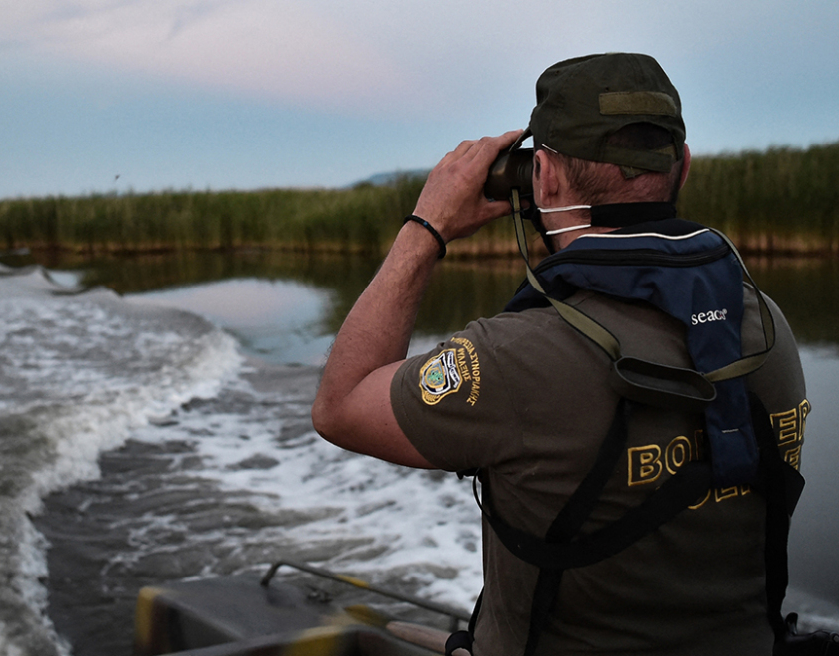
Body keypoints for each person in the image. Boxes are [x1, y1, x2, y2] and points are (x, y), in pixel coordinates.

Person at [312, 53, 808, 656]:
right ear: (682, 166)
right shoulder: (766, 326)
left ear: (541, 177)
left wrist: (426, 227)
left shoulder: (516, 357)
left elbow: (339, 406)